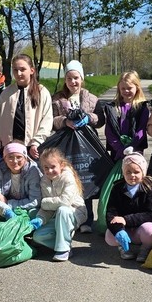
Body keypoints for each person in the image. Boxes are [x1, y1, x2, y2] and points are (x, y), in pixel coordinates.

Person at [50, 60, 100, 233]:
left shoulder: (91, 98)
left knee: (86, 179)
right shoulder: (57, 99)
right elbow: (51, 121)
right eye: (69, 78)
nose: (73, 82)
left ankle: (87, 219)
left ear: (82, 78)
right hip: (66, 145)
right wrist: (65, 121)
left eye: (76, 78)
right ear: (65, 80)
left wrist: (89, 118)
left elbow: (100, 118)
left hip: (86, 145)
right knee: (68, 179)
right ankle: (70, 217)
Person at [0, 54, 52, 163]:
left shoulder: (41, 92)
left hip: (32, 149)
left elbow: (47, 121)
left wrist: (36, 142)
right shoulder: (6, 93)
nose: (18, 73)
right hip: (10, 149)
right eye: (15, 70)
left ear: (32, 70)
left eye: (22, 69)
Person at [104, 148, 152, 263]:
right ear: (123, 172)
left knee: (150, 230)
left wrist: (125, 219)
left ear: (143, 172)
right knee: (110, 235)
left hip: (141, 229)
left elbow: (151, 214)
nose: (132, 175)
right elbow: (111, 212)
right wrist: (118, 229)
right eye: (128, 172)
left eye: (136, 172)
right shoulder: (117, 188)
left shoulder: (150, 188)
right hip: (126, 229)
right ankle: (124, 248)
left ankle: (145, 248)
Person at [31, 148, 87, 262]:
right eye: (46, 168)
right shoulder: (44, 181)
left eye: (53, 167)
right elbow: (47, 209)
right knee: (38, 237)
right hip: (56, 214)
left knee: (63, 210)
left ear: (61, 165)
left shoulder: (68, 177)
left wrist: (44, 203)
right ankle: (64, 243)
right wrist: (41, 218)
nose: (50, 171)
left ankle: (63, 249)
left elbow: (65, 202)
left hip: (75, 212)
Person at [99, 71, 151, 161]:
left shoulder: (142, 108)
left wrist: (131, 146)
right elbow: (109, 131)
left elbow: (141, 130)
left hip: (135, 149)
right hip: (116, 151)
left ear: (137, 87)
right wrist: (119, 148)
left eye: (129, 88)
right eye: (123, 88)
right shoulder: (112, 107)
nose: (126, 91)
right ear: (119, 88)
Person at [0, 142, 42, 222]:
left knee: (33, 213)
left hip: (26, 207)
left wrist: (8, 203)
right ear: (5, 159)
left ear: (25, 158)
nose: (15, 161)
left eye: (19, 157)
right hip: (6, 207)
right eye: (10, 157)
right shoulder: (0, 170)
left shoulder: (32, 171)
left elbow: (35, 201)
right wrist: (6, 211)